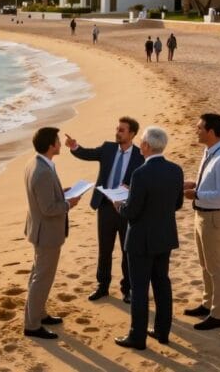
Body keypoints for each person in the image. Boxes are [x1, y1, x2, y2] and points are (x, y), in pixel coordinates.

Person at [113, 126, 185, 350]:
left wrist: (119, 205)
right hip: (164, 236)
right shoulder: (176, 170)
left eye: (142, 143)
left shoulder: (140, 173)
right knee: (162, 283)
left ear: (146, 146)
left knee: (140, 288)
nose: (140, 147)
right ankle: (162, 332)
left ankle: (137, 336)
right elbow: (178, 204)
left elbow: (132, 212)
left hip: (141, 240)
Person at [66, 117, 144, 303]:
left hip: (126, 209)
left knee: (128, 251)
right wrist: (74, 146)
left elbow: (145, 182)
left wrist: (130, 188)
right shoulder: (108, 148)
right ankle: (102, 287)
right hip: (105, 207)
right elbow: (87, 153)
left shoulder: (140, 155)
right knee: (104, 249)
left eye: (122, 130)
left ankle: (128, 289)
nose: (117, 132)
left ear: (132, 134)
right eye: (117, 129)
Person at [23, 127, 82, 340]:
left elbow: (45, 197)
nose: (60, 143)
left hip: (40, 230)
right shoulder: (42, 172)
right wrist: (68, 204)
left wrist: (61, 192)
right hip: (46, 233)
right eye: (57, 141)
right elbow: (49, 209)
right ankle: (32, 325)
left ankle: (38, 313)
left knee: (39, 274)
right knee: (42, 278)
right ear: (51, 145)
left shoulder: (37, 163)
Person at [183, 113, 220, 330]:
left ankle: (218, 315)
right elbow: (210, 184)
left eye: (199, 128)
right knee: (205, 264)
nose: (196, 130)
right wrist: (192, 184)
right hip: (203, 214)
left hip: (215, 216)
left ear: (211, 132)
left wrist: (197, 194)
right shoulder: (210, 151)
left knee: (216, 267)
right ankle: (208, 304)